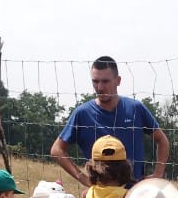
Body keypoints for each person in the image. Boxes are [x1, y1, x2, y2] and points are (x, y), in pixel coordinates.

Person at [50, 56, 169, 187]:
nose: (100, 87)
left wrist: (158, 175)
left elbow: (162, 140)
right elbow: (57, 150)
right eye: (95, 81)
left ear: (118, 81)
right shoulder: (83, 114)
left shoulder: (135, 109)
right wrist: (83, 178)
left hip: (134, 195)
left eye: (105, 81)